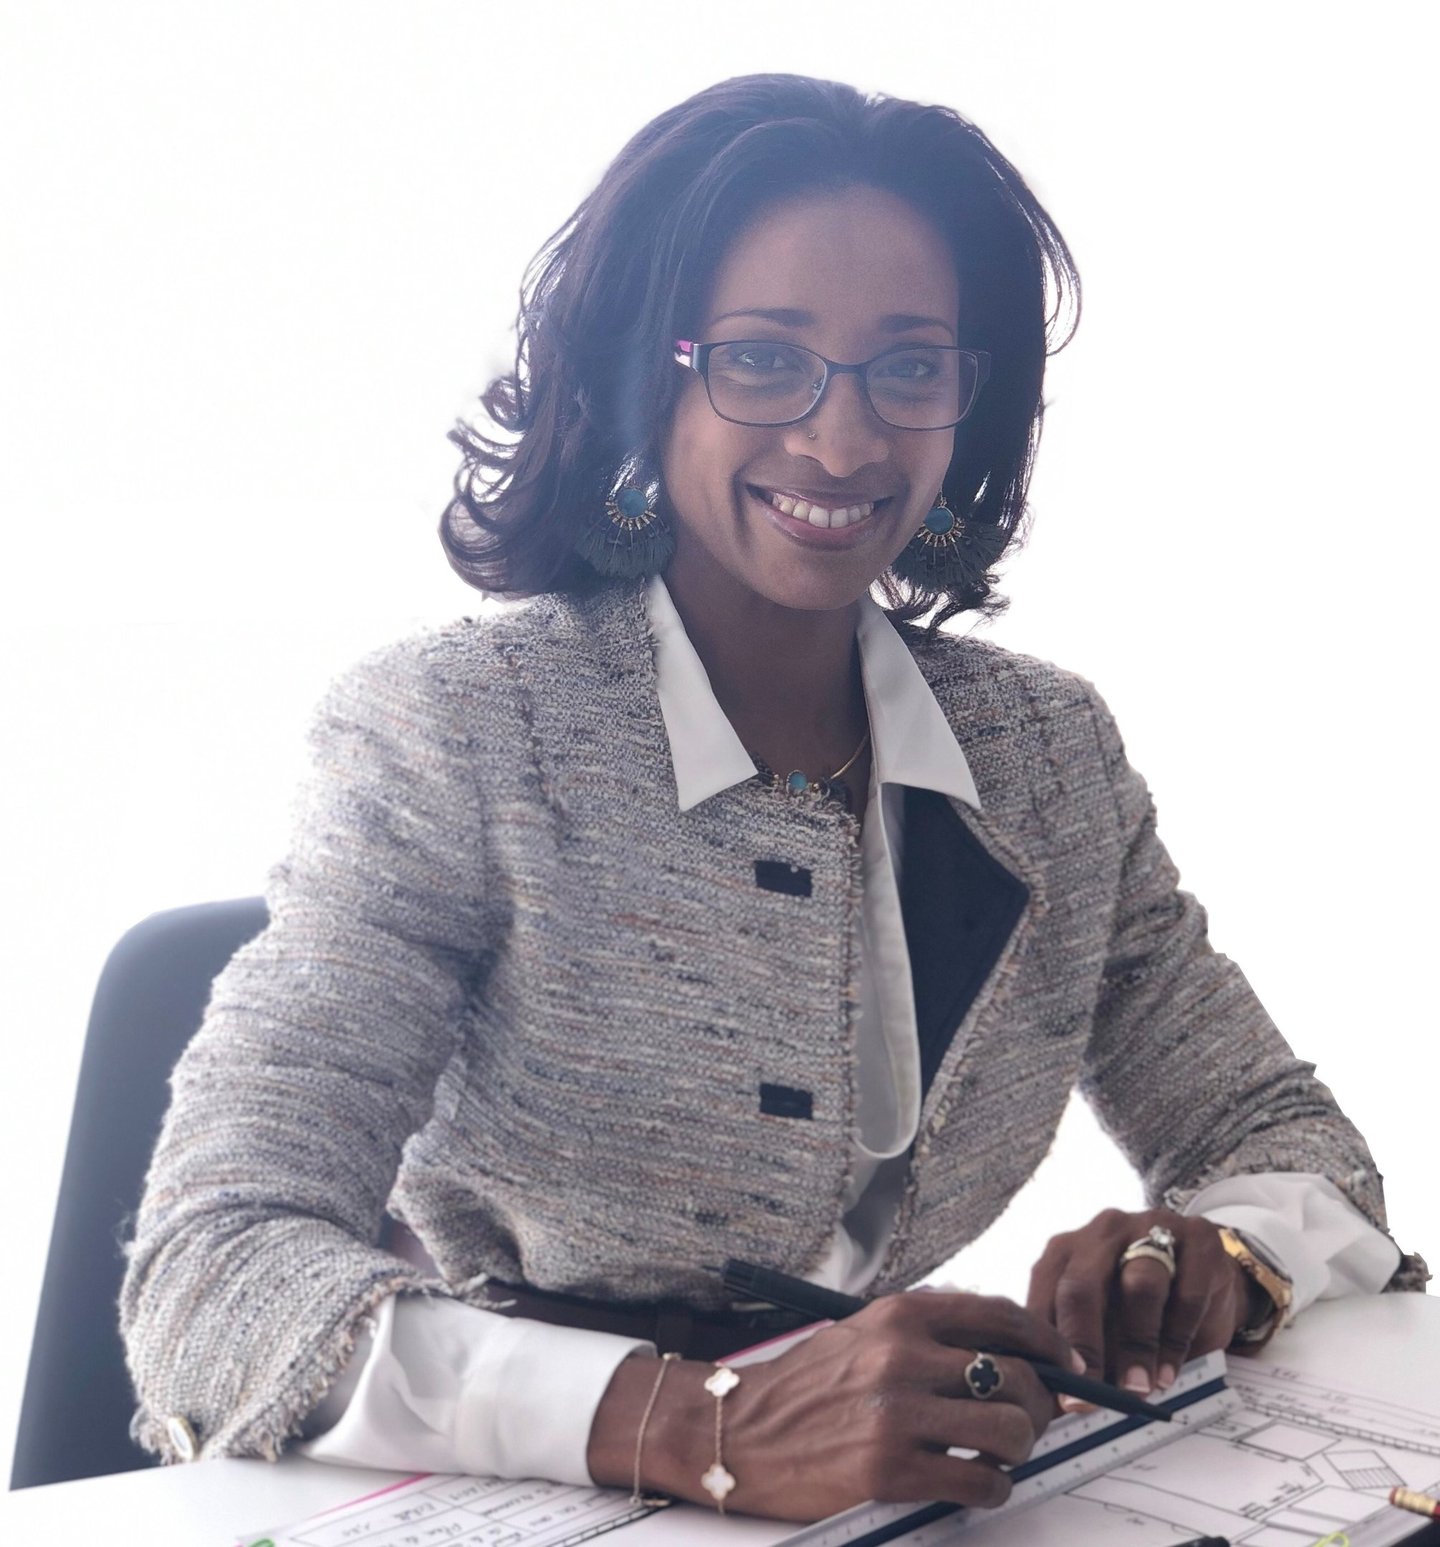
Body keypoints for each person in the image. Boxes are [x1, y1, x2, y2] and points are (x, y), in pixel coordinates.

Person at [119, 73, 1426, 1524]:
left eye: (910, 367)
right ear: (644, 373)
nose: (844, 442)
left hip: (912, 1479)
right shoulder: (461, 735)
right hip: (513, 1483)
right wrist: (697, 1423)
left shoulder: (1043, 754)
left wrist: (1219, 1257)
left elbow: (1291, 1141)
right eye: (763, 359)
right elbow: (211, 1275)